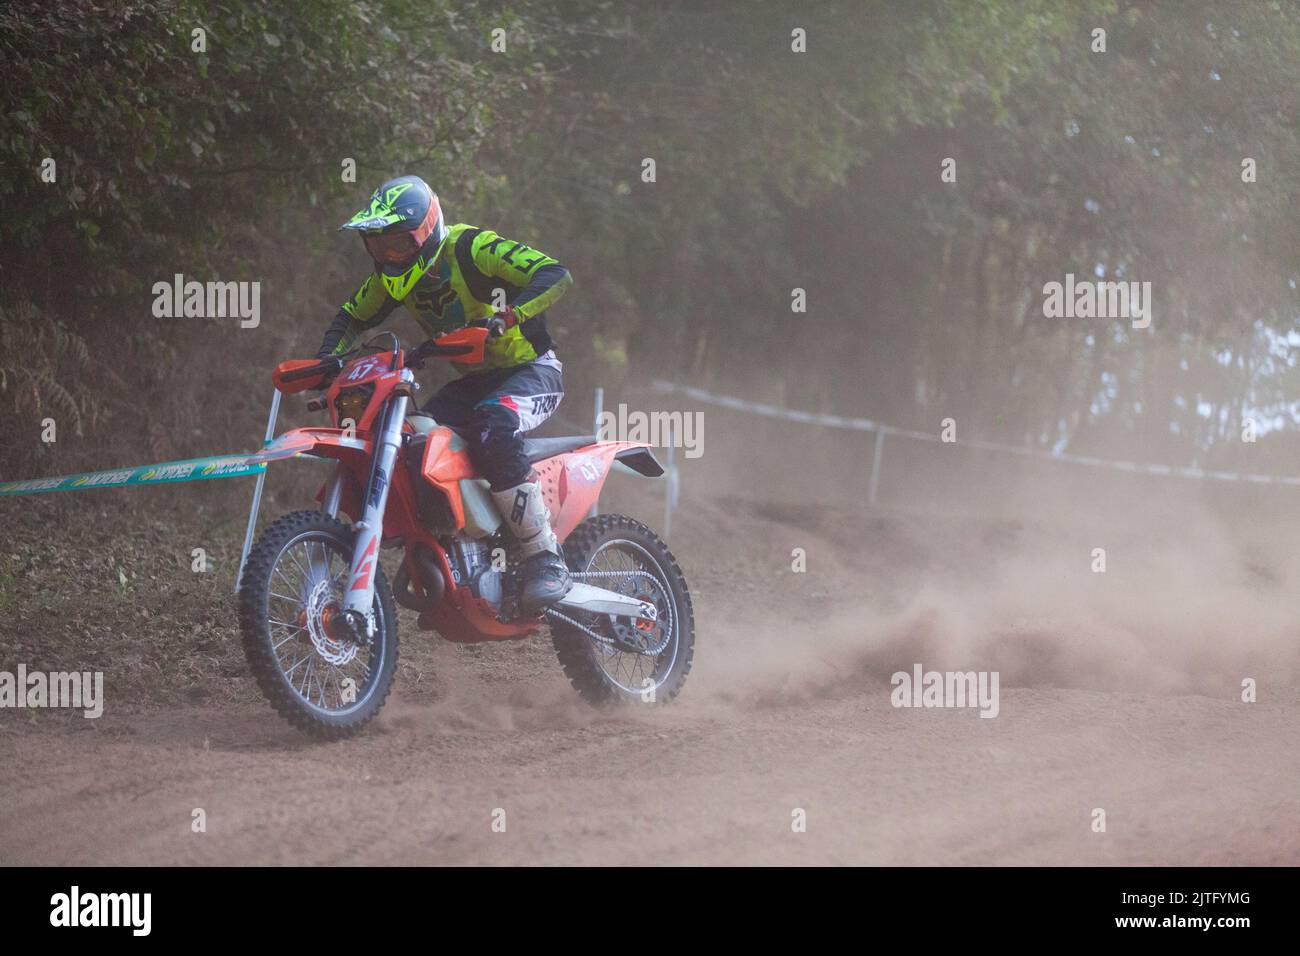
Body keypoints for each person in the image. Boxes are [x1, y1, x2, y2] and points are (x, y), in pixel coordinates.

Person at [319, 175, 574, 612]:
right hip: (475, 381)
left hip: (533, 370)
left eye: (398, 244)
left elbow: (555, 275)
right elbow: (351, 317)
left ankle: (545, 556)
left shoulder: (472, 248)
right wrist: (327, 359)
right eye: (380, 247)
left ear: (427, 231)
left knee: (493, 423)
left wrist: (509, 317)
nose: (390, 256)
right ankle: (444, 545)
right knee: (413, 438)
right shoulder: (390, 279)